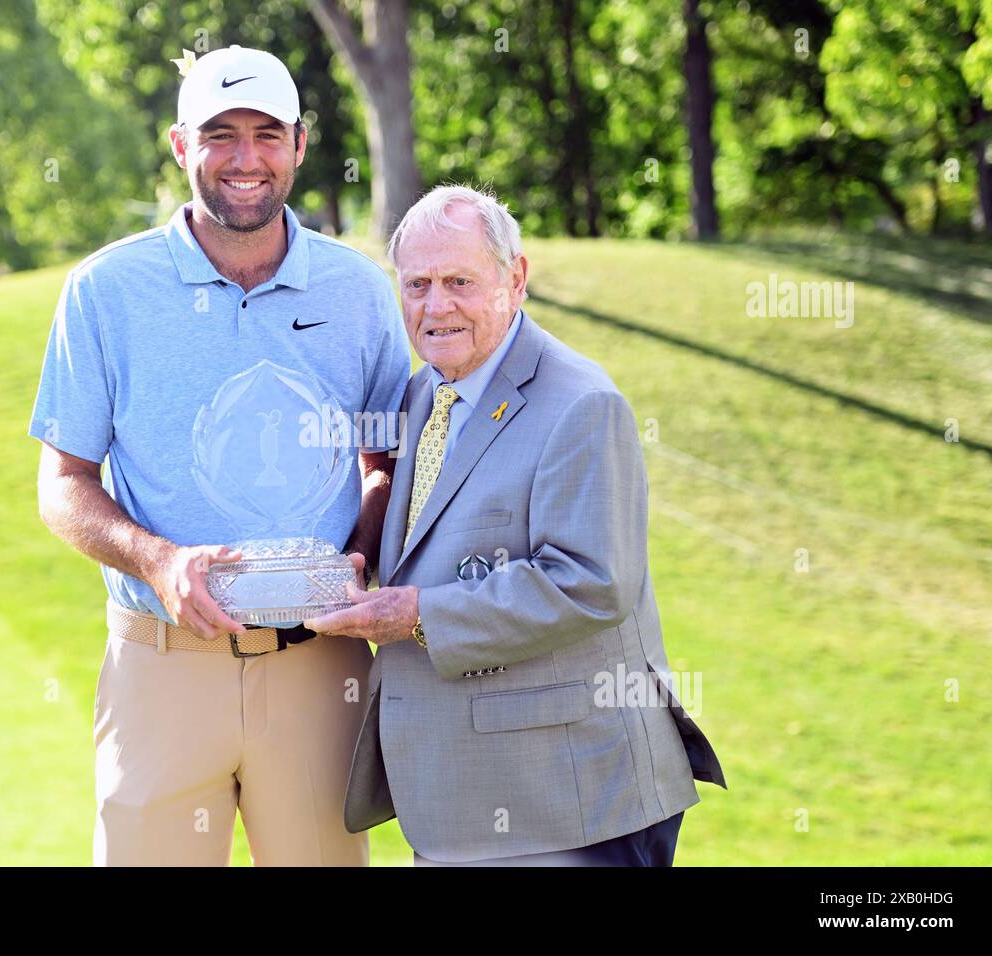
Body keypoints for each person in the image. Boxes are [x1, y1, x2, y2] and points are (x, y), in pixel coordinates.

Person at [29, 45, 411, 866]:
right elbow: (63, 483)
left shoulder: (359, 292)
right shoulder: (105, 290)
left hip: (321, 663)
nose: (246, 159)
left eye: (267, 134)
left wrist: (365, 548)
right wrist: (158, 559)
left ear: (301, 145)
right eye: (221, 134)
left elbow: (385, 460)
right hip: (160, 665)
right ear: (180, 147)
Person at [306, 185, 726, 866]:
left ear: (515, 279)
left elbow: (591, 584)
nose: (435, 306)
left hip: (568, 804)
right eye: (416, 284)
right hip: (456, 800)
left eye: (459, 282)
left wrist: (415, 615)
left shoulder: (581, 403)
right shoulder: (423, 393)